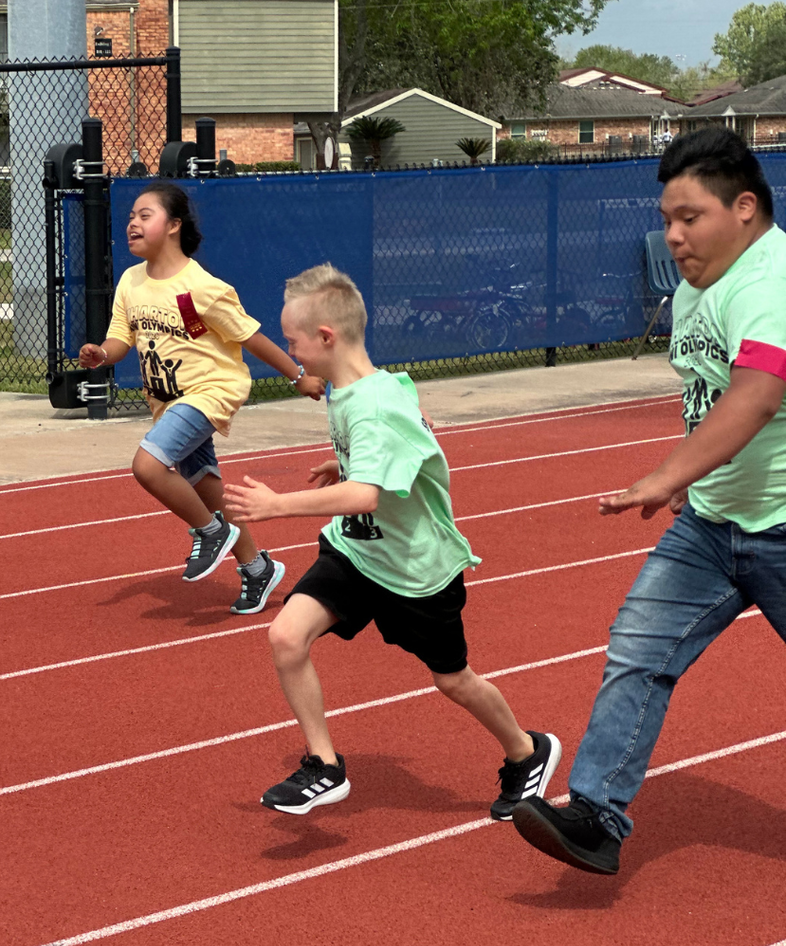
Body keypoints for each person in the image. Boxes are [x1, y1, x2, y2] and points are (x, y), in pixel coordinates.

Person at [512, 127, 786, 875]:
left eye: (689, 217)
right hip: (714, 524)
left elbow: (759, 394)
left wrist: (668, 475)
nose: (672, 235)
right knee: (638, 650)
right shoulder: (704, 287)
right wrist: (693, 483)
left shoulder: (771, 283)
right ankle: (596, 816)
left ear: (745, 208)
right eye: (667, 218)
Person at [224, 264, 561, 815]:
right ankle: (325, 765)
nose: (292, 354)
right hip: (358, 551)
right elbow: (402, 442)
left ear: (326, 338)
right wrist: (347, 463)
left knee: (453, 681)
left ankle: (527, 751)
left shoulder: (373, 405)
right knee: (287, 637)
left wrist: (277, 505)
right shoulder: (362, 389)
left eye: (293, 342)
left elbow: (366, 497)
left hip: (415, 570)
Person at [79, 182, 324, 614]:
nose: (132, 223)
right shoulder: (131, 282)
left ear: (173, 226)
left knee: (148, 465)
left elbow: (251, 337)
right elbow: (120, 337)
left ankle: (209, 532)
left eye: (145, 215)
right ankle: (256, 569)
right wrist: (102, 354)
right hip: (168, 403)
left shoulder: (202, 288)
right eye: (131, 217)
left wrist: (298, 376)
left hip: (211, 392)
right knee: (206, 489)